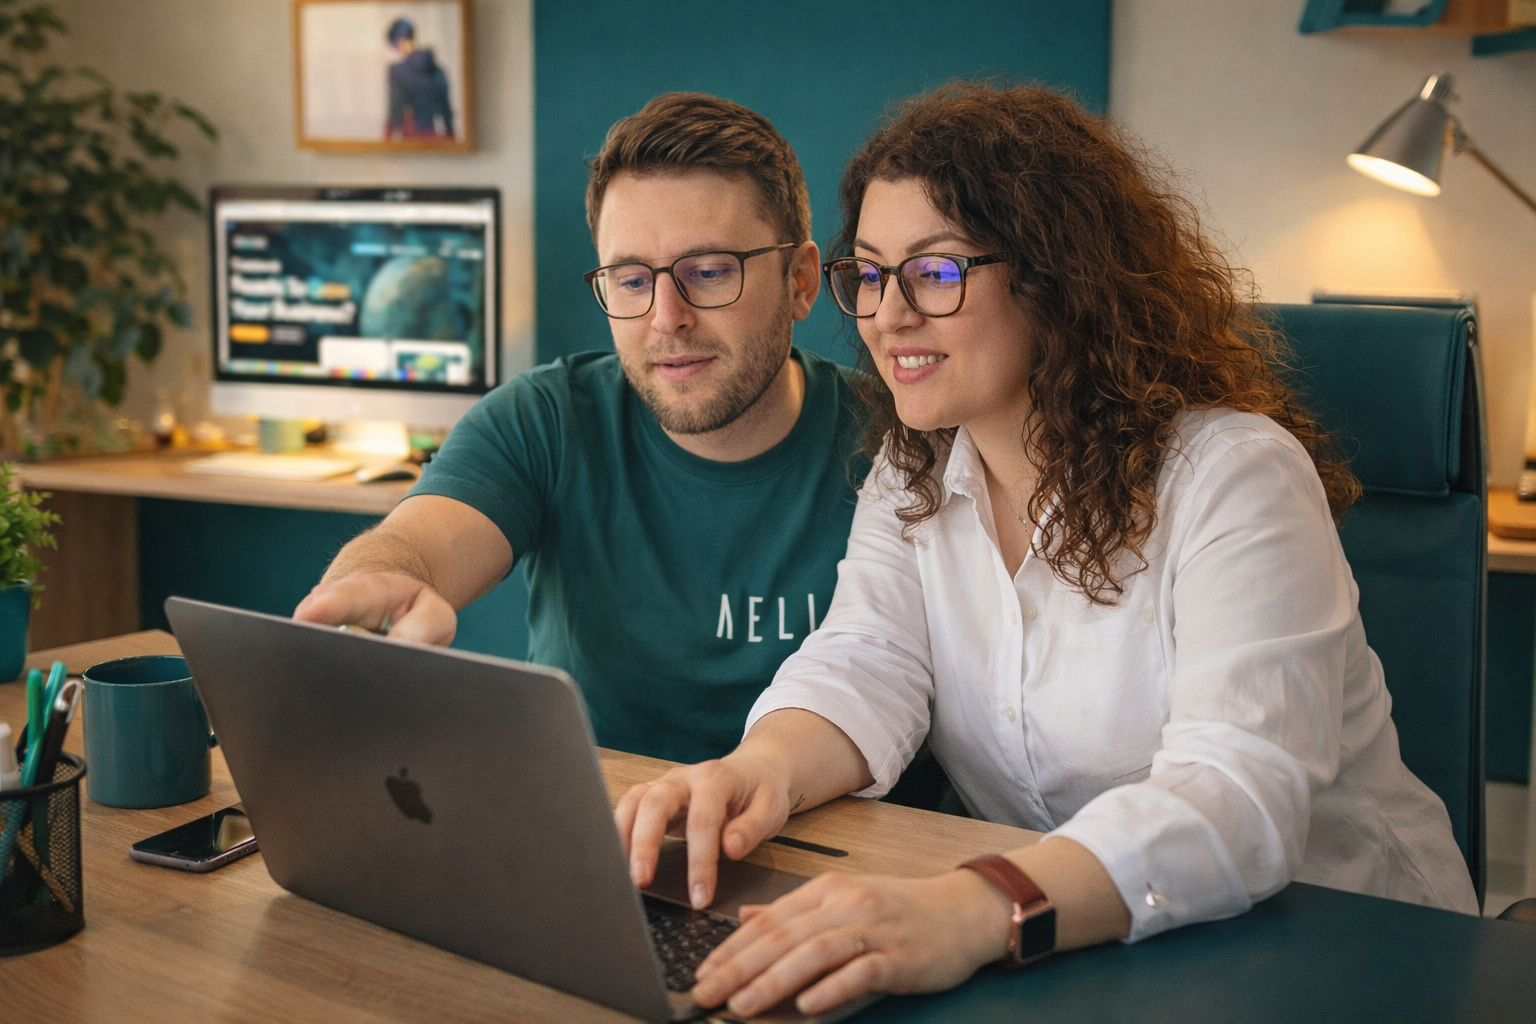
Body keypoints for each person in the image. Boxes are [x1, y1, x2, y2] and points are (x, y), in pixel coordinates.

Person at [616, 83, 1479, 1019]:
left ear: (1056, 277)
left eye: (935, 273)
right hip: (1095, 949)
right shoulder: (912, 476)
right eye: (868, 274)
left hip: (1350, 955)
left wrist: (971, 905)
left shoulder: (1234, 477)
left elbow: (1236, 796)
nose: (886, 316)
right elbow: (866, 664)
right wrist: (757, 773)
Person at [295, 93, 869, 764]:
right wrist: (370, 588)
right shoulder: (544, 421)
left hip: (857, 851)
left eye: (709, 272)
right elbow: (412, 550)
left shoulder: (897, 441)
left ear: (801, 281)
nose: (666, 317)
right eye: (630, 281)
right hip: (601, 838)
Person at [385, 17, 454, 139]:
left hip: (409, 134)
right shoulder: (437, 69)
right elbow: (445, 105)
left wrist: (389, 138)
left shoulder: (397, 70)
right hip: (434, 132)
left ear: (399, 42)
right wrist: (450, 133)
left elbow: (396, 105)